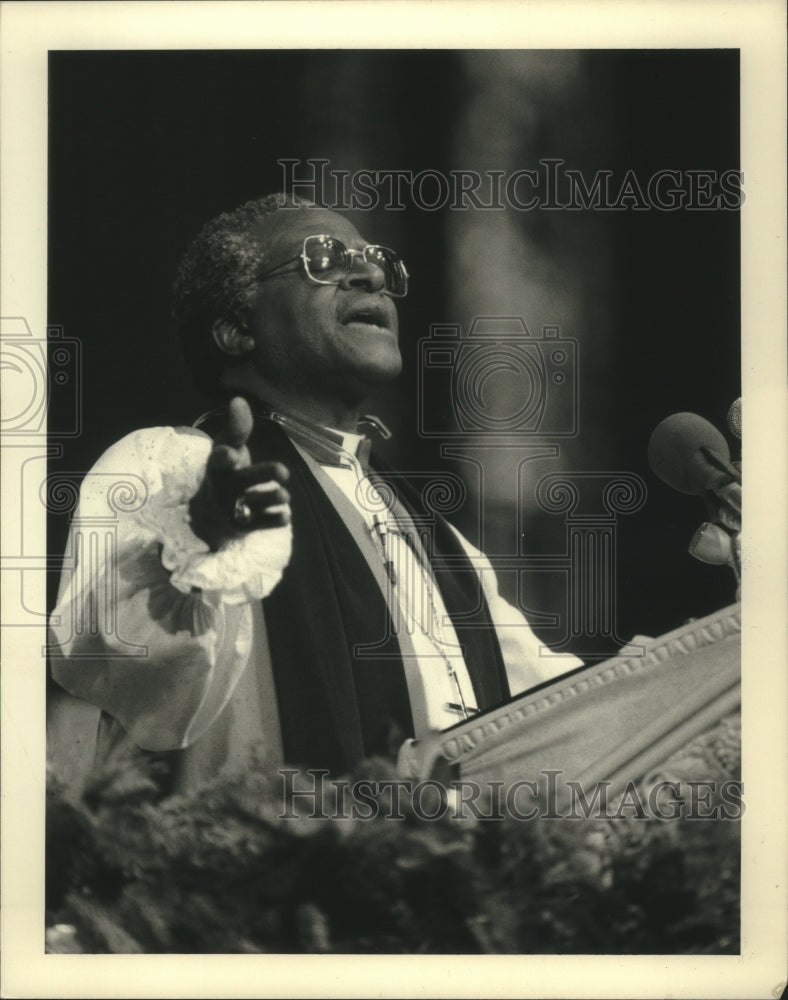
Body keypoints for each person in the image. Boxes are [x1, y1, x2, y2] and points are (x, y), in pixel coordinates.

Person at [47, 194, 581, 796]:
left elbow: (564, 713)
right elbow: (113, 667)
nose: (371, 274)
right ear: (237, 328)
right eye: (323, 259)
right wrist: (194, 543)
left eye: (375, 259)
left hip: (437, 880)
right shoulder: (170, 464)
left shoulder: (432, 533)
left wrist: (702, 651)